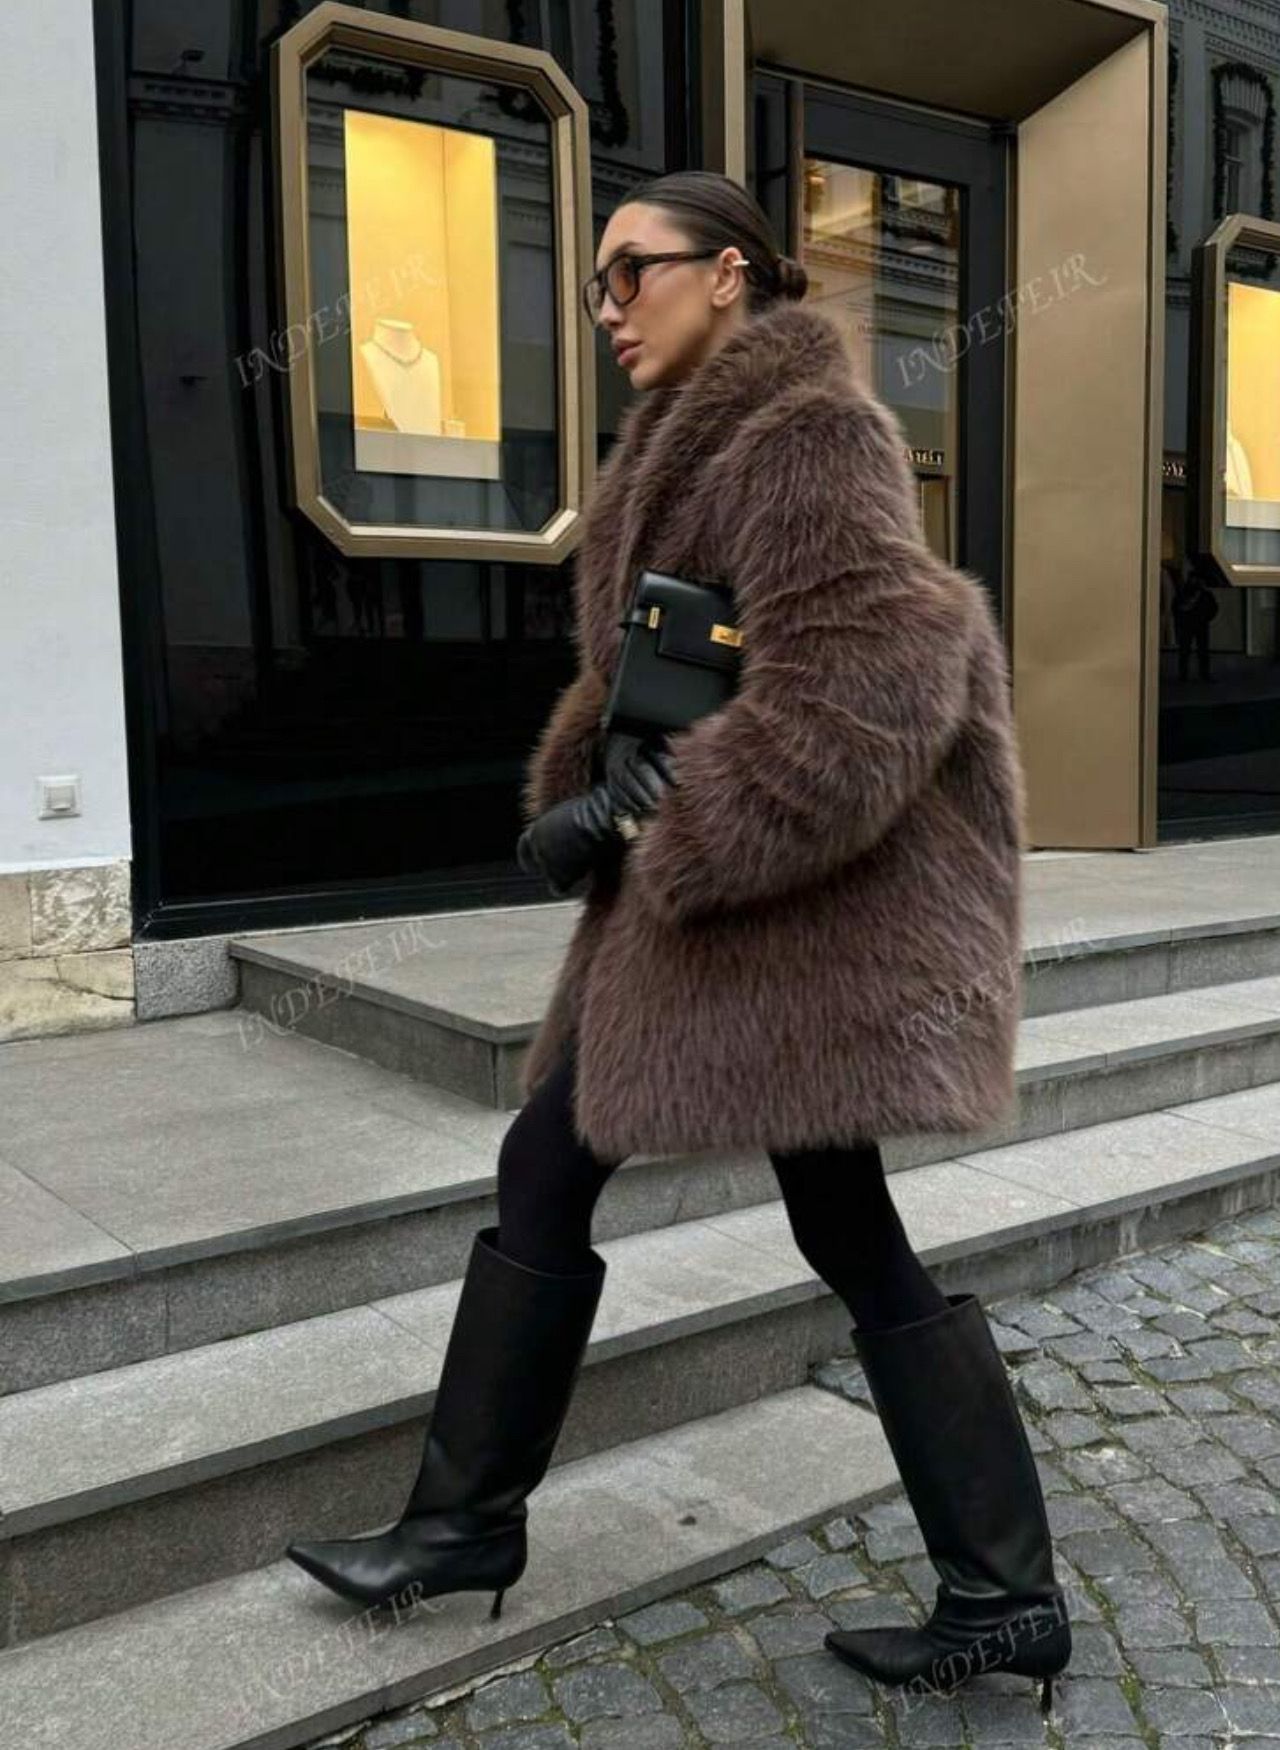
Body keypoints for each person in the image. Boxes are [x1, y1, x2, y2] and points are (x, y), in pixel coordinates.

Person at [285, 170, 1072, 1714]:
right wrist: (583, 792)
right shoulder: (685, 446)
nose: (605, 309)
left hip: (781, 921)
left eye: (628, 274)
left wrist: (668, 824)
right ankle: (993, 1587)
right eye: (593, 285)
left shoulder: (808, 435)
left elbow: (865, 686)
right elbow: (666, 669)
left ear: (728, 274)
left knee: (784, 1212)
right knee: (613, 1177)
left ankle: (993, 1585)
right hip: (717, 925)